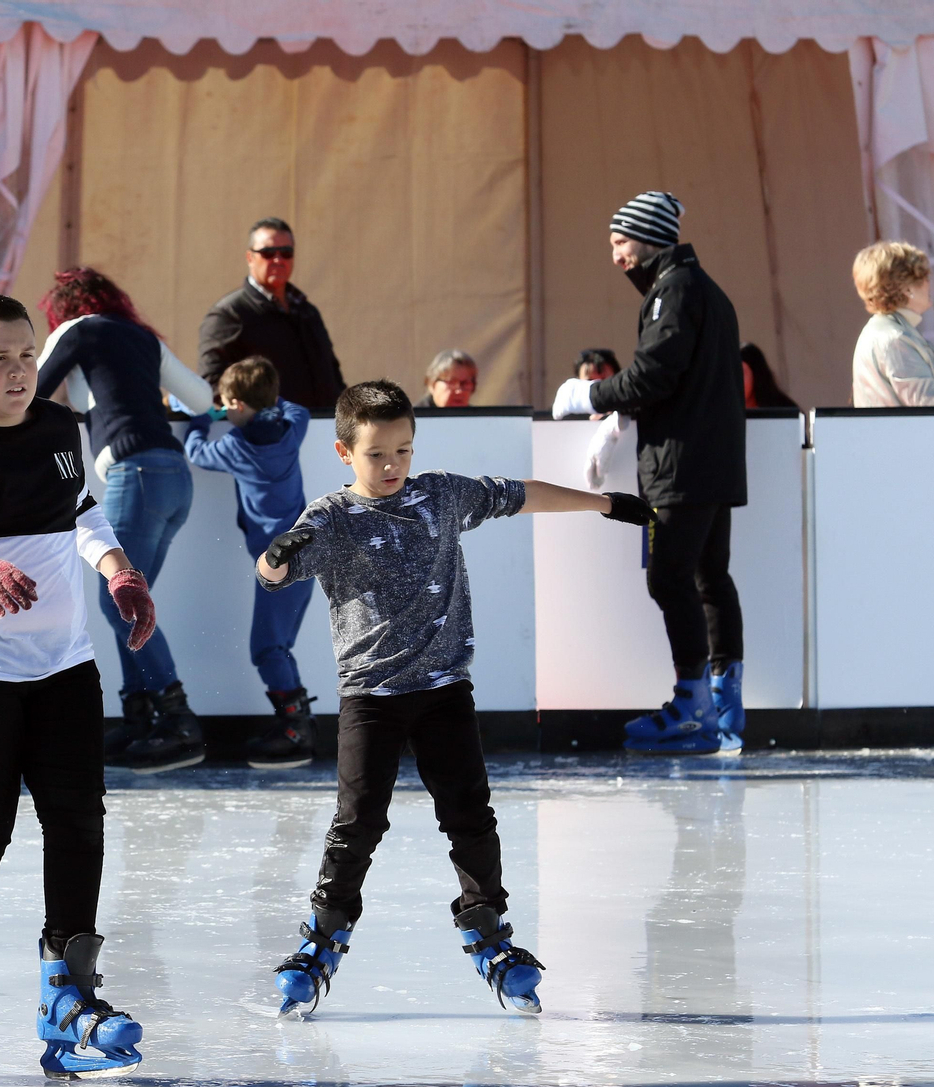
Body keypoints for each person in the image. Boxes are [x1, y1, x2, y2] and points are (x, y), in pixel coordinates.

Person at [257, 380, 653, 1018]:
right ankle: (324, 935)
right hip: (372, 697)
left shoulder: (439, 495)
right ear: (342, 453)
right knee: (358, 821)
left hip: (444, 690)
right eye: (376, 455)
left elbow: (521, 495)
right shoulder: (330, 519)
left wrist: (604, 503)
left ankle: (487, 926)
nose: (392, 467)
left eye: (403, 451)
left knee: (470, 813)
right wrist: (277, 556)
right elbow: (269, 576)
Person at [0, 293, 154, 1082]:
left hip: (62, 661)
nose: (19, 371)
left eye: (27, 355)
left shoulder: (62, 427)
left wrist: (116, 568)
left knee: (79, 820)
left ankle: (69, 994)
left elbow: (80, 508)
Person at [551, 191, 747, 754]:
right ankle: (722, 702)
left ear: (649, 237)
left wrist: (585, 393)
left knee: (668, 578)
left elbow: (652, 376)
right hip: (712, 463)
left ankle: (693, 709)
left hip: (681, 467)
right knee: (710, 578)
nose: (616, 256)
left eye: (620, 242)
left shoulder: (676, 290)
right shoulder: (704, 289)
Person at [36, 268, 215, 774]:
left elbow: (29, 390)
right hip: (175, 478)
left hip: (133, 476)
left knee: (119, 603)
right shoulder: (140, 337)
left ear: (64, 308)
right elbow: (201, 400)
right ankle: (142, 720)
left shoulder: (77, 330)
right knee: (132, 602)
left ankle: (178, 722)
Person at [184, 356, 315, 769]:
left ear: (237, 406)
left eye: (226, 403)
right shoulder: (291, 432)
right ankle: (295, 725)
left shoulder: (236, 447)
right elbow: (300, 410)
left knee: (266, 647)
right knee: (280, 645)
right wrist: (269, 401)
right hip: (308, 557)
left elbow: (195, 451)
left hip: (278, 565)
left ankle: (296, 731)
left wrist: (203, 414)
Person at [198, 218, 345, 408]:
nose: (278, 260)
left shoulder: (307, 311)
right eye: (268, 253)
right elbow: (212, 381)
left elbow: (332, 374)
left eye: (286, 253)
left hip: (322, 427)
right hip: (272, 433)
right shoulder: (229, 314)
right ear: (250, 258)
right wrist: (260, 416)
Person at [850, 241, 934, 407]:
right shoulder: (894, 339)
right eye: (924, 277)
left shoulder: (890, 331)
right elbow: (926, 400)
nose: (929, 283)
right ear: (907, 288)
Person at [573, 348, 629, 491]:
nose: (599, 390)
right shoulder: (567, 419)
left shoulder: (633, 411)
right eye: (591, 382)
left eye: (605, 382)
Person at [739, 343, 797, 409]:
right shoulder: (727, 410)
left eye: (740, 373)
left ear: (757, 375)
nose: (734, 382)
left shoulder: (784, 409)